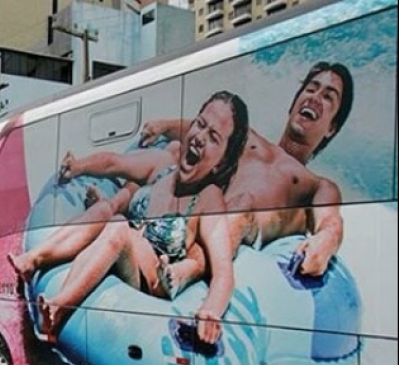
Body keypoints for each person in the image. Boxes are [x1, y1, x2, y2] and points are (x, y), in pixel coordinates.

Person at [21, 91, 250, 345]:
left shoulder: (209, 199)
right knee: (109, 218)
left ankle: (60, 306)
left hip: (153, 281)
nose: (200, 138)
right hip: (126, 252)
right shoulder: (163, 169)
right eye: (200, 124)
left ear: (220, 162)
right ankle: (36, 259)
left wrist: (211, 311)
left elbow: (223, 273)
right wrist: (80, 166)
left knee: (118, 225)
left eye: (214, 137)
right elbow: (113, 163)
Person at [140, 61, 354, 283]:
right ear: (292, 105)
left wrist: (326, 240)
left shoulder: (318, 185)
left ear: (332, 128)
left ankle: (188, 271)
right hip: (205, 217)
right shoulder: (248, 138)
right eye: (311, 89)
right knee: (172, 156)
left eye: (328, 96)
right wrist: (163, 126)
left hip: (244, 224)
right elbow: (204, 128)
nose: (315, 98)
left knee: (242, 206)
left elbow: (330, 222)